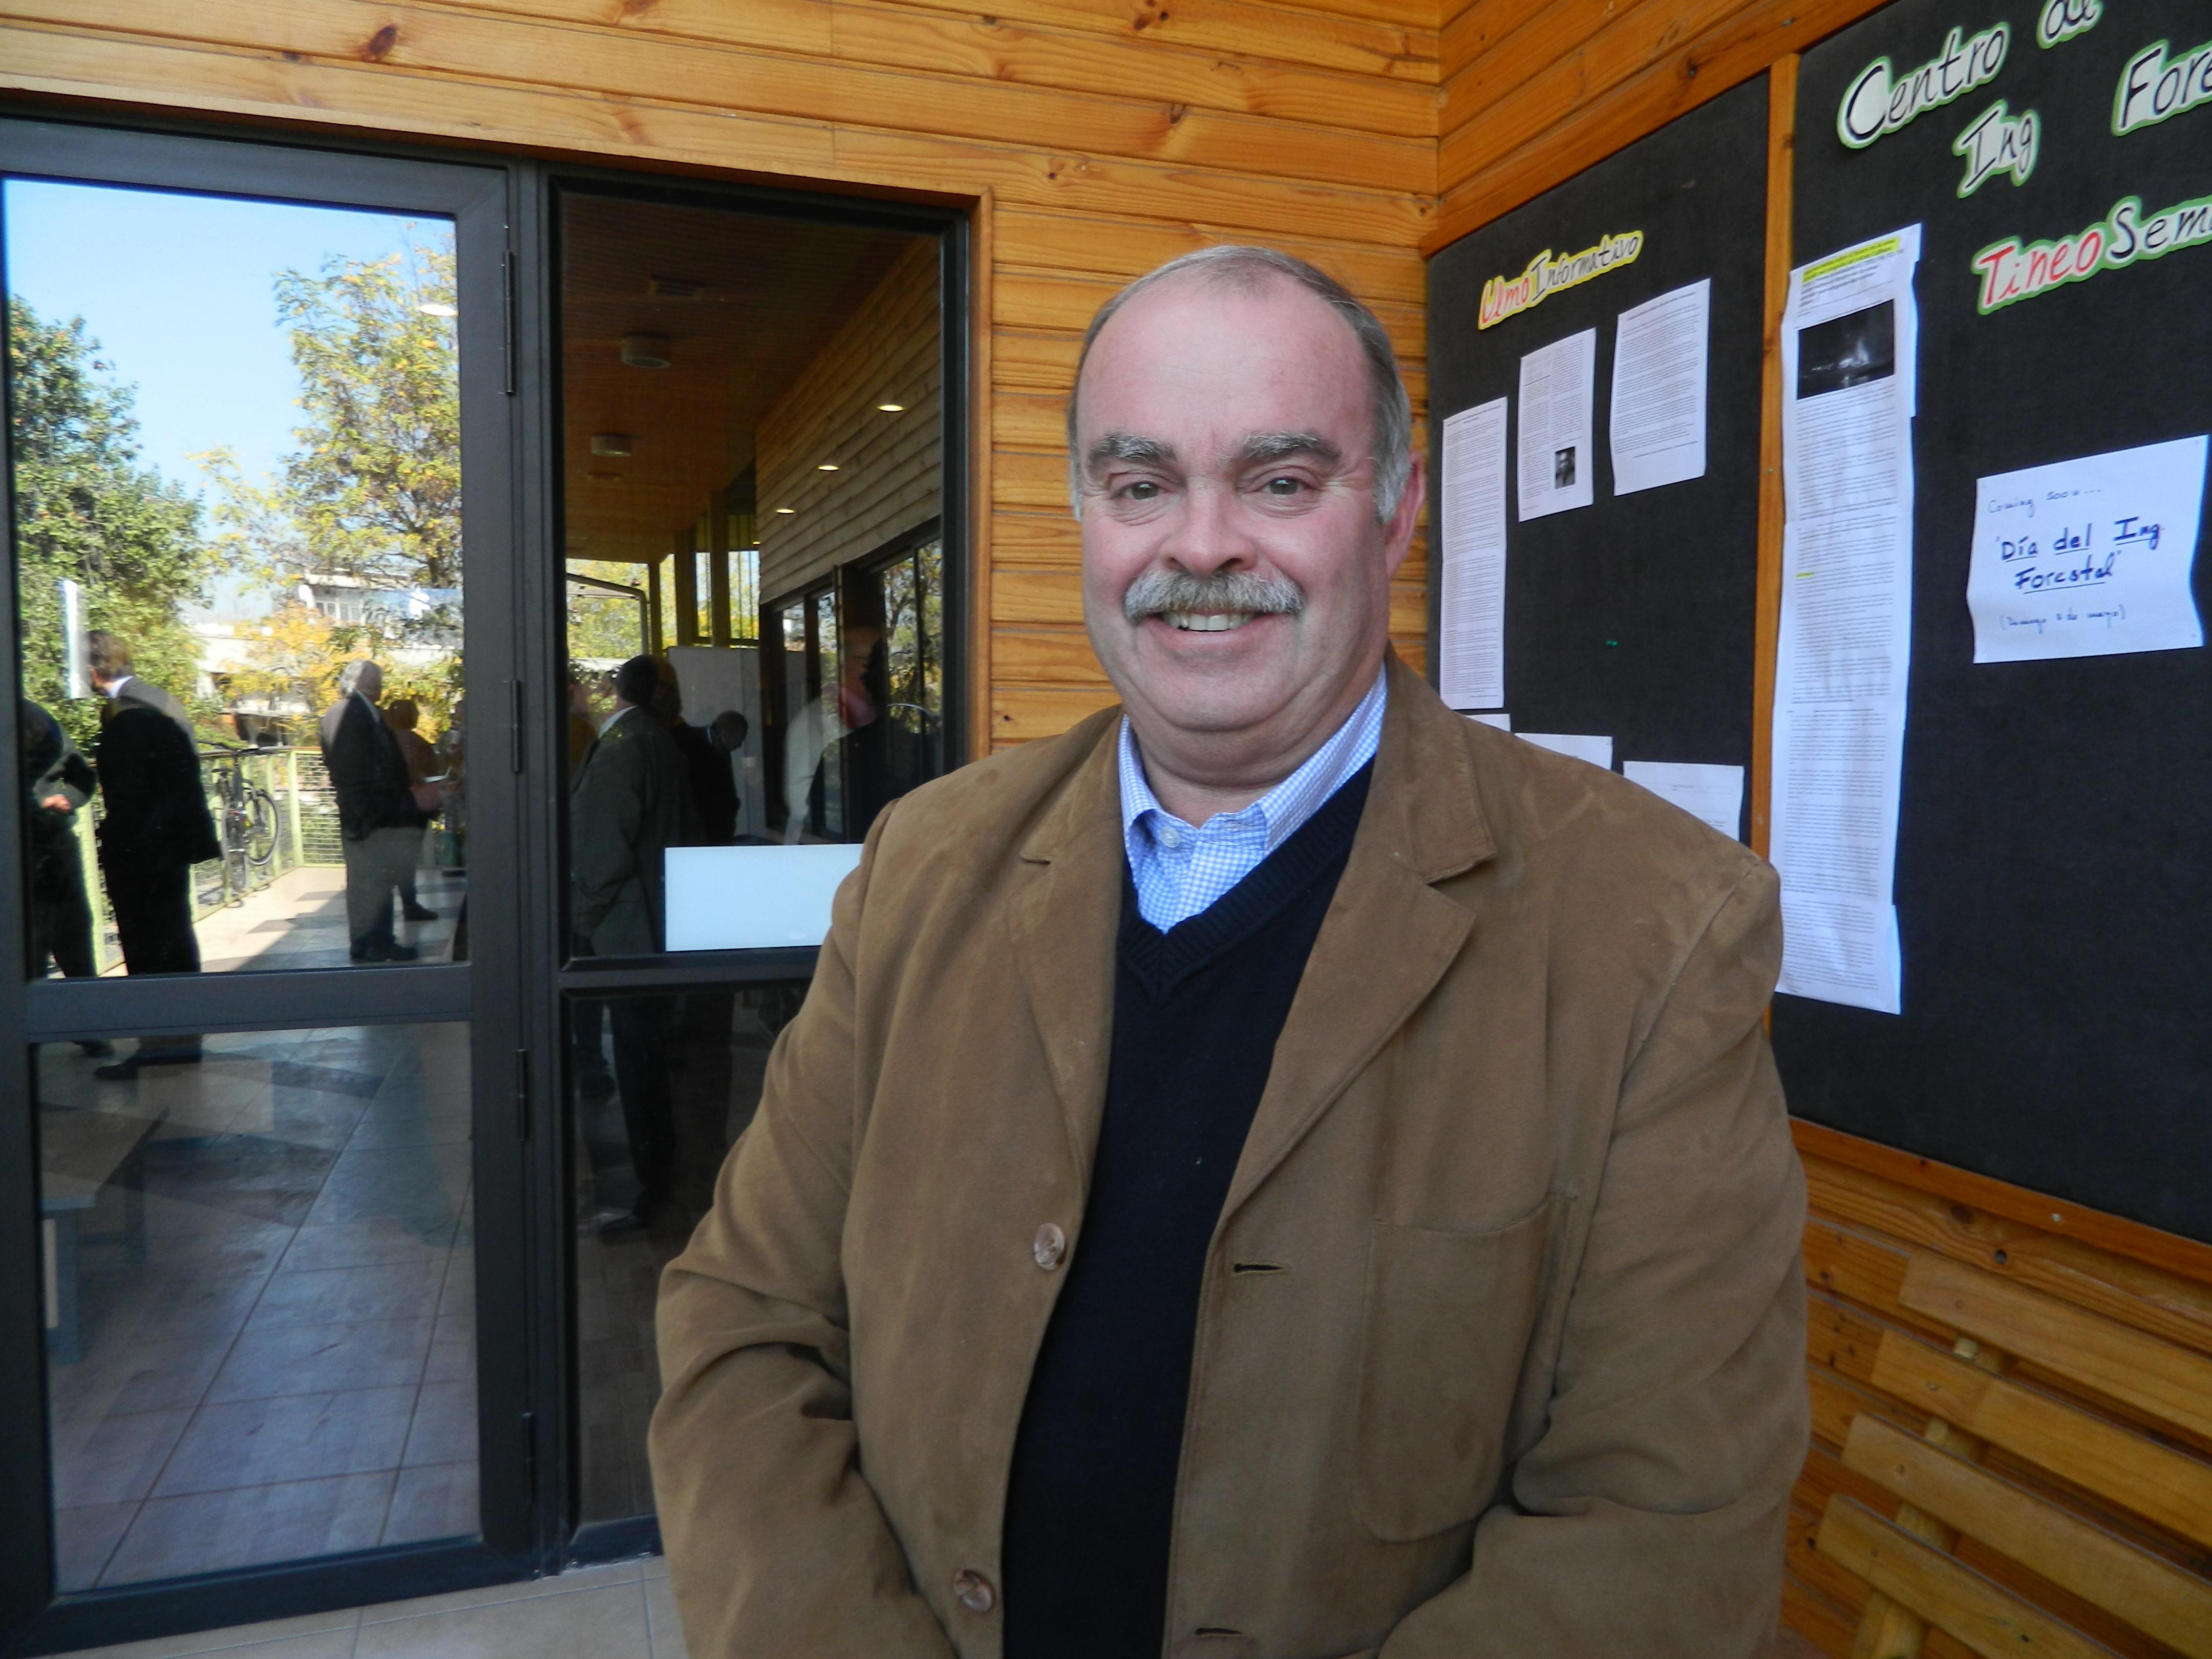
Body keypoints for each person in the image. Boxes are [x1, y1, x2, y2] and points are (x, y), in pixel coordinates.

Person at [652, 246, 1807, 1657]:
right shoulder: (920, 871)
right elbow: (744, 1330)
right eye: (1142, 486)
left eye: (1278, 481)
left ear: (1393, 515)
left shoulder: (1658, 929)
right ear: (1088, 514)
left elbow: (1664, 1532)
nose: (1200, 549)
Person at [571, 653, 699, 1230]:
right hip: (658, 921)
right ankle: (660, 1181)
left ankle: (652, 1190)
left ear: (612, 691)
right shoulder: (658, 740)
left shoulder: (624, 747)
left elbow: (602, 857)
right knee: (647, 1057)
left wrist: (585, 918)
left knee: (637, 1060)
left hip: (629, 931)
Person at [85, 632, 220, 1076]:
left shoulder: (126, 719)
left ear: (92, 670)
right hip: (171, 848)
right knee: (176, 938)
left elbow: (128, 797)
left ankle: (158, 1044)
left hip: (142, 853)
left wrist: (119, 848)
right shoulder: (163, 702)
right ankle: (183, 1038)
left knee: (145, 947)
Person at [319, 659, 433, 963]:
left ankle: (367, 942)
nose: (380, 687)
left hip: (363, 814)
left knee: (364, 881)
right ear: (366, 685)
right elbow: (357, 771)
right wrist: (375, 815)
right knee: (373, 880)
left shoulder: (340, 713)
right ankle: (376, 942)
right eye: (377, 681)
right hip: (371, 817)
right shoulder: (353, 715)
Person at [382, 696, 440, 922]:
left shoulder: (384, 743)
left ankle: (390, 907)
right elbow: (431, 774)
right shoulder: (420, 744)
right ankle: (410, 903)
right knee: (408, 859)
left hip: (388, 808)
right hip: (414, 808)